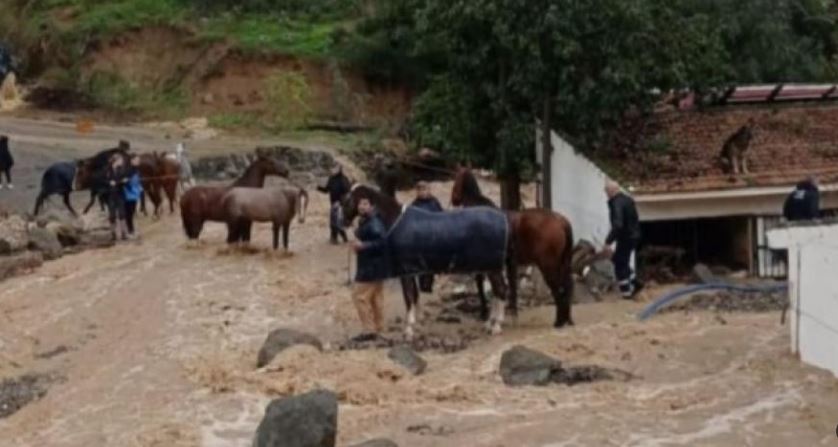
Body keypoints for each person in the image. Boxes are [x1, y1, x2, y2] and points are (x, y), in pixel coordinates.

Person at [350, 197, 388, 342]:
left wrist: (363, 246)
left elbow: (382, 243)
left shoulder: (374, 223)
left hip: (370, 268)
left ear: (372, 206)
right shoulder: (368, 221)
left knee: (359, 297)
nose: (361, 207)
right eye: (360, 203)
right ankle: (379, 328)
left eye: (365, 204)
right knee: (375, 299)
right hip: (377, 268)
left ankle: (368, 330)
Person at [603, 180, 643, 299]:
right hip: (633, 235)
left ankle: (626, 293)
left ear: (611, 190)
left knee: (620, 265)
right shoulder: (627, 199)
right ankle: (636, 283)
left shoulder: (616, 203)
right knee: (620, 260)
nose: (605, 193)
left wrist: (608, 241)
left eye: (606, 191)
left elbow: (618, 225)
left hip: (625, 237)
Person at [409, 181, 443, 293]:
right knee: (420, 263)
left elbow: (442, 217)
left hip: (433, 237)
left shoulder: (434, 202)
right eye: (420, 190)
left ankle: (429, 284)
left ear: (428, 190)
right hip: (419, 239)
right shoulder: (414, 205)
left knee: (432, 263)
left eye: (424, 189)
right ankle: (422, 285)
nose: (422, 192)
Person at [317, 164, 351, 244]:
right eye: (332, 168)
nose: (332, 170)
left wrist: (341, 202)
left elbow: (348, 193)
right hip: (333, 204)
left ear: (339, 169)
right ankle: (334, 238)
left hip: (341, 204)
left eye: (334, 168)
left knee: (338, 222)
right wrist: (318, 188)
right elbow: (326, 190)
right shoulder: (331, 179)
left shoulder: (344, 179)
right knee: (333, 222)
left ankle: (343, 238)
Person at [106, 154, 130, 241]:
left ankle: (124, 234)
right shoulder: (108, 170)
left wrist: (123, 181)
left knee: (122, 214)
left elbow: (125, 181)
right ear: (115, 161)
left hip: (120, 194)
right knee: (112, 215)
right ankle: (113, 234)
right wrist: (110, 183)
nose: (122, 162)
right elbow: (106, 181)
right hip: (111, 195)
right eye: (120, 160)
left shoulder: (122, 170)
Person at [123, 154, 143, 239]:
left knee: (132, 213)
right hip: (128, 195)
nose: (138, 161)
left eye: (139, 160)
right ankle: (130, 231)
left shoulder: (136, 170)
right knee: (128, 213)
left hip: (134, 194)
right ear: (132, 160)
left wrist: (139, 187)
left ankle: (131, 230)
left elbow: (137, 181)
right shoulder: (128, 170)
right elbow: (125, 182)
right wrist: (132, 189)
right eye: (136, 160)